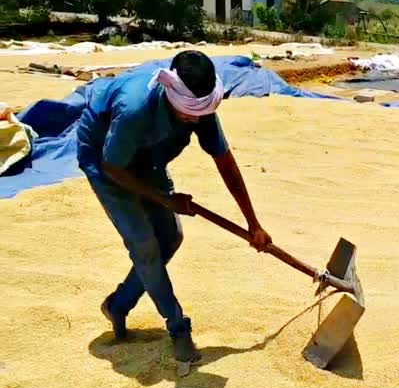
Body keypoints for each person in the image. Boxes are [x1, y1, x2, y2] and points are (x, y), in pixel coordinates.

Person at [77, 50, 271, 363]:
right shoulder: (134, 109)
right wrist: (166, 200)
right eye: (187, 114)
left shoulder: (201, 107)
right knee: (144, 245)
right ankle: (178, 328)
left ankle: (118, 305)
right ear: (170, 95)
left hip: (148, 158)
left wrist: (253, 224)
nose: (195, 120)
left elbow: (224, 160)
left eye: (200, 113)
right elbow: (113, 167)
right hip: (106, 156)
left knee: (170, 238)